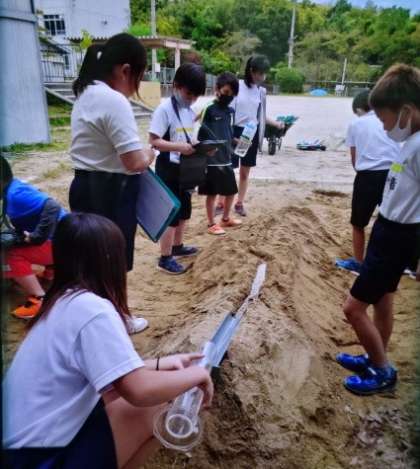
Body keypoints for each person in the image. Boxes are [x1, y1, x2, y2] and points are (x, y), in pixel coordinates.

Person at [3, 212, 214, 469]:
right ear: (109, 260)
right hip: (36, 459)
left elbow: (105, 375)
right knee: (156, 406)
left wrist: (160, 364)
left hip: (18, 451)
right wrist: (197, 375)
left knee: (117, 399)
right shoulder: (92, 310)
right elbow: (139, 391)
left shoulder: (60, 301)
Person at [336, 64, 420, 396]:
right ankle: (375, 356)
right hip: (388, 229)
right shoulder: (410, 141)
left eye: (385, 120)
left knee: (353, 309)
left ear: (407, 111)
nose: (384, 128)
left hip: (399, 237)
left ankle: (382, 371)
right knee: (383, 299)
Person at [69, 33, 154, 332]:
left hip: (84, 186)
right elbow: (133, 161)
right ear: (126, 70)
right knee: (112, 261)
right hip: (111, 193)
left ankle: (94, 321)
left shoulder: (86, 94)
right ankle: (118, 320)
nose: (136, 87)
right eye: (139, 78)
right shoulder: (114, 100)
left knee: (90, 261)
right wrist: (150, 153)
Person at [149, 63, 206, 274]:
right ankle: (165, 258)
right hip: (168, 168)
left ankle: (177, 246)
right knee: (171, 214)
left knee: (184, 210)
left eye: (196, 96)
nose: (192, 99)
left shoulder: (189, 111)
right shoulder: (164, 109)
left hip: (185, 168)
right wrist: (180, 147)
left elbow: (187, 137)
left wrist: (198, 146)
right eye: (189, 94)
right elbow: (154, 142)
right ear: (177, 86)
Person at [336, 90, 400, 274]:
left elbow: (355, 159)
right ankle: (400, 262)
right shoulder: (389, 120)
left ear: (358, 109)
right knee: (393, 220)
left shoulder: (356, 124)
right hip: (394, 174)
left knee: (358, 223)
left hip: (368, 176)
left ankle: (358, 262)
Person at [217, 55, 284, 217]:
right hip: (234, 131)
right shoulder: (237, 86)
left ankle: (239, 203)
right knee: (228, 169)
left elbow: (260, 115)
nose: (262, 77)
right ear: (251, 71)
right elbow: (225, 109)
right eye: (260, 73)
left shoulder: (261, 92)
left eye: (264, 74)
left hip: (250, 133)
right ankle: (220, 202)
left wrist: (276, 124)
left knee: (244, 172)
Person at [1, 155, 66, 319]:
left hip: (64, 243)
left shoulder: (15, 194)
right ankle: (51, 271)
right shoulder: (12, 188)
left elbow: (52, 206)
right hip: (63, 240)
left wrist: (38, 236)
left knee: (8, 255)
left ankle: (39, 299)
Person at [197, 72, 242, 235]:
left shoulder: (230, 111)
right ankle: (211, 224)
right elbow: (199, 134)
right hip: (211, 161)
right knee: (212, 193)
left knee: (231, 191)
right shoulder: (208, 109)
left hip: (226, 158)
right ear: (217, 89)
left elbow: (228, 133)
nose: (228, 96)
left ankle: (225, 219)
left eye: (232, 94)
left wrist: (238, 141)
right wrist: (205, 150)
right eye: (226, 92)